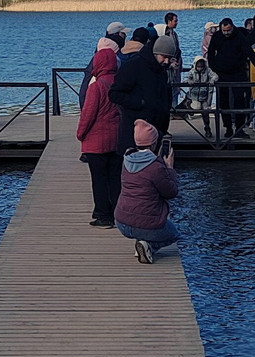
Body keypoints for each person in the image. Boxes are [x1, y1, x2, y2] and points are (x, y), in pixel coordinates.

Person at [115, 119, 179, 264]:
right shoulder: (155, 167)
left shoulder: (127, 160)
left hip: (121, 222)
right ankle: (148, 246)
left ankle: (142, 242)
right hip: (147, 224)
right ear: (154, 144)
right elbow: (171, 192)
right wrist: (169, 168)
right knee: (174, 235)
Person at [77, 48, 122, 228]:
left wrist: (80, 134)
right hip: (116, 138)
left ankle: (103, 215)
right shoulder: (120, 83)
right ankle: (117, 212)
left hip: (96, 142)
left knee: (99, 180)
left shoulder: (96, 87)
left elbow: (88, 114)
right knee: (115, 178)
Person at [109, 34, 175, 154]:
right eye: (164, 57)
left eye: (169, 58)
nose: (166, 61)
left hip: (156, 131)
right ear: (155, 53)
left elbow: (163, 97)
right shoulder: (133, 66)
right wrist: (139, 102)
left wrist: (163, 126)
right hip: (134, 131)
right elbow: (114, 94)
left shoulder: (162, 71)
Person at [206, 18, 255, 139]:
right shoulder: (217, 36)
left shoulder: (238, 35)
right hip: (221, 73)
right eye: (224, 31)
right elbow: (210, 53)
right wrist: (214, 68)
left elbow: (250, 53)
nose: (226, 33)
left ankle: (239, 128)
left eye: (228, 30)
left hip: (238, 73)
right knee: (223, 102)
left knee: (240, 101)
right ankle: (227, 127)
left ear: (232, 27)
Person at [79, 22, 127, 107]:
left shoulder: (98, 56)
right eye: (123, 33)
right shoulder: (111, 59)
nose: (125, 36)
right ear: (116, 34)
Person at [183, 55, 218, 138]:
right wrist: (189, 81)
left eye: (202, 66)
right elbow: (185, 78)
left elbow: (215, 76)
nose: (200, 68)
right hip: (194, 96)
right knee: (196, 108)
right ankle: (189, 106)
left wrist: (212, 80)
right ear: (195, 65)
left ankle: (207, 128)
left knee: (205, 112)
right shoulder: (192, 72)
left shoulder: (208, 71)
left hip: (205, 96)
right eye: (198, 66)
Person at [163, 12, 183, 109]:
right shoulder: (166, 34)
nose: (177, 23)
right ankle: (172, 109)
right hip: (170, 66)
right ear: (169, 21)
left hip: (176, 64)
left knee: (176, 88)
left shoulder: (174, 34)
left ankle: (174, 108)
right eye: (175, 21)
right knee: (171, 87)